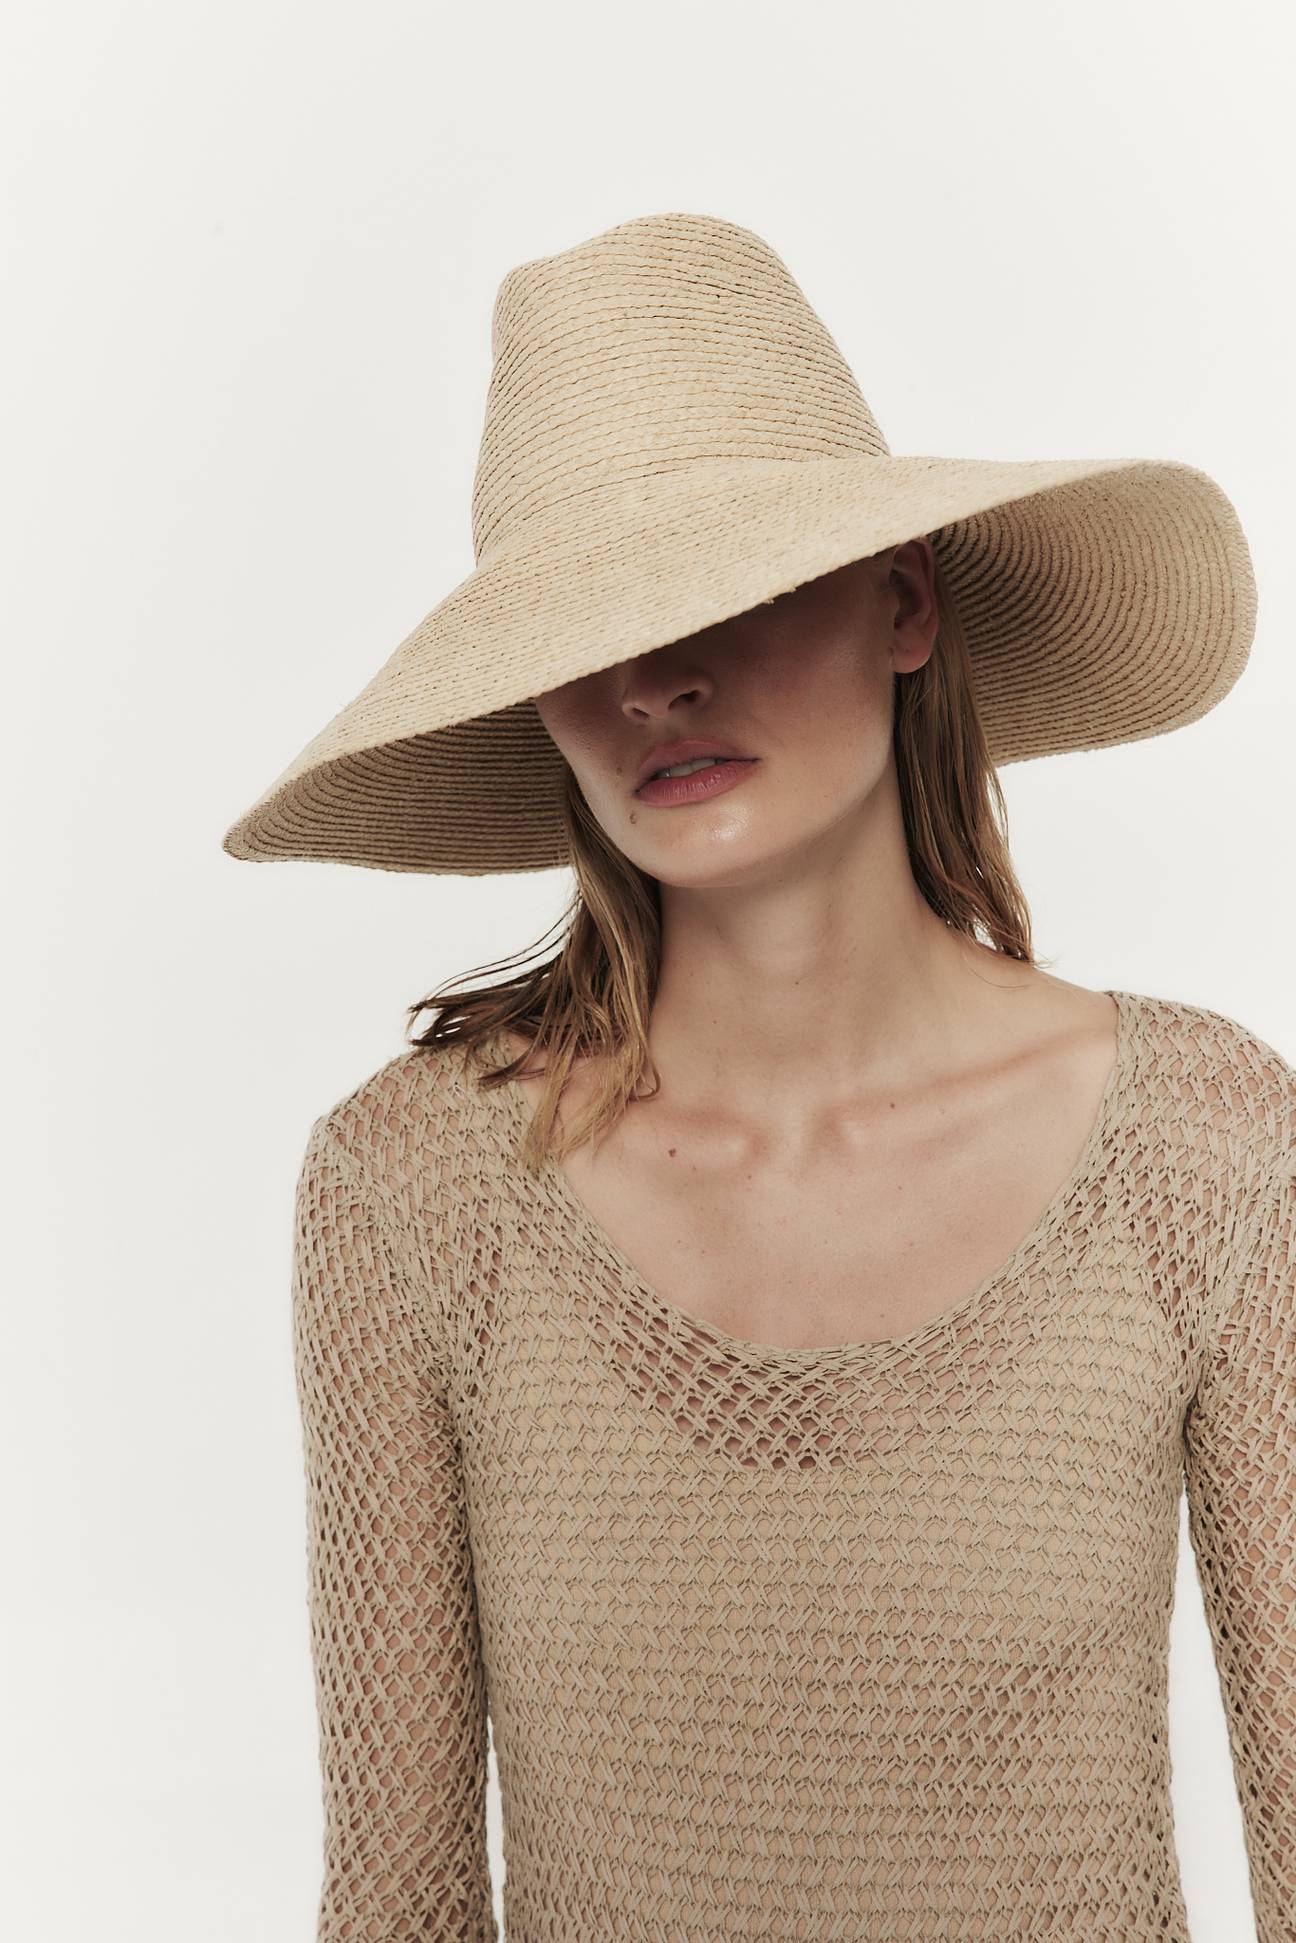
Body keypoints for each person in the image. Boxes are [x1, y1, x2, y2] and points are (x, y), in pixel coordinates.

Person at [221, 214, 1294, 1940]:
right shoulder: (411, 1187)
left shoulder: (1203, 1147)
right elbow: (398, 1902)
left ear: (906, 602)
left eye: (733, 583)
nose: (659, 680)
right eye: (585, 633)